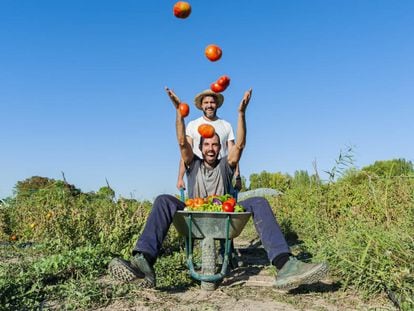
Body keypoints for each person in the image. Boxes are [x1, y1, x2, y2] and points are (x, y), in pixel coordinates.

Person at [108, 87, 328, 290]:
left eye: (215, 144)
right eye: (206, 145)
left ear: (220, 147)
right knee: (163, 199)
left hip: (225, 212)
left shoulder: (226, 164)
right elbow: (182, 143)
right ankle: (143, 262)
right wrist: (179, 113)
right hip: (194, 211)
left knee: (259, 201)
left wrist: (241, 114)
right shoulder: (193, 164)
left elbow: (240, 145)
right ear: (201, 148)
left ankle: (285, 265)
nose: (211, 148)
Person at [175, 89, 242, 193]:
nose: (209, 105)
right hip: (197, 173)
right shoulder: (193, 125)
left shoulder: (226, 125)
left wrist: (237, 177)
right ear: (201, 105)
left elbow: (233, 152)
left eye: (212, 102)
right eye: (206, 102)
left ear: (217, 105)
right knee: (197, 204)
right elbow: (185, 152)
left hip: (221, 174)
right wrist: (180, 177)